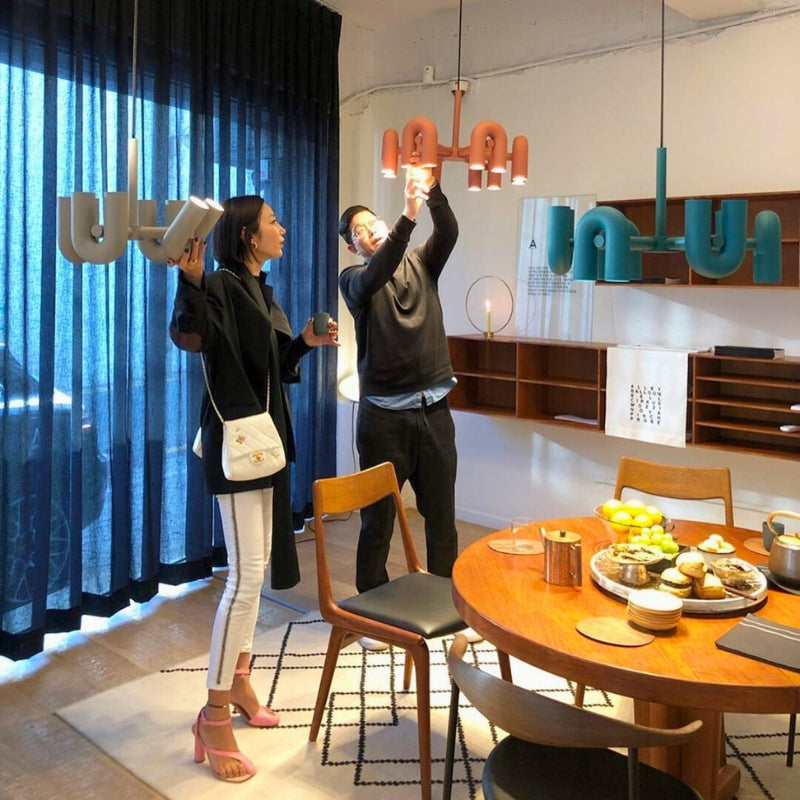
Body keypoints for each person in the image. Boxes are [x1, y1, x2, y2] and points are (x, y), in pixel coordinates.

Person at [168, 196, 338, 783]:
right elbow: (192, 337)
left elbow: (270, 364)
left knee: (255, 570)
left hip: (264, 444)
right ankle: (213, 715)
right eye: (272, 222)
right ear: (246, 234)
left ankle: (239, 684)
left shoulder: (260, 290)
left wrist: (305, 343)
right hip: (238, 446)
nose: (282, 229)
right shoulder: (219, 284)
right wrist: (191, 282)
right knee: (243, 579)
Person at [338, 168, 460, 647]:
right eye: (359, 231)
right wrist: (408, 217)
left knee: (442, 518)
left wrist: (432, 192)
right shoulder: (354, 279)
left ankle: (449, 604)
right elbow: (378, 270)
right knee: (378, 521)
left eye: (373, 221)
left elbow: (448, 231)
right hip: (383, 419)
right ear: (353, 247)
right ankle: (373, 610)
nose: (370, 230)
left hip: (435, 411)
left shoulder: (421, 263)